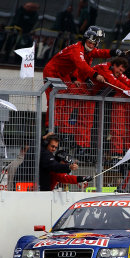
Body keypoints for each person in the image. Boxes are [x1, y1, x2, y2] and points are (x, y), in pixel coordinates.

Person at [43, 25, 122, 158]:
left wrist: (114, 52)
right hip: (53, 73)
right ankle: (49, 129)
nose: (92, 45)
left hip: (65, 74)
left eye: (94, 43)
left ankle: (61, 129)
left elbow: (98, 53)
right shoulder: (77, 50)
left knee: (65, 101)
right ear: (86, 39)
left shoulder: (86, 49)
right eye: (90, 42)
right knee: (55, 101)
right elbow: (82, 65)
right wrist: (95, 75)